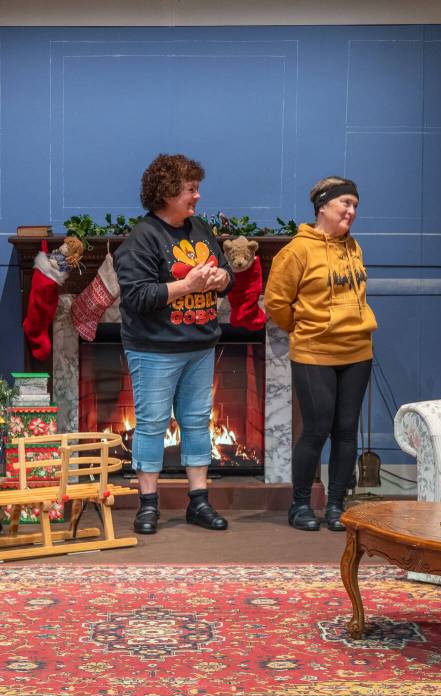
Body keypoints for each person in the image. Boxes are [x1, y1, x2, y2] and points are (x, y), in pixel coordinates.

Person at [114, 154, 235, 535]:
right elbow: (137, 296)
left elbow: (227, 272)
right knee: (151, 424)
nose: (197, 196)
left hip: (200, 345)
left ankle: (199, 501)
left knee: (197, 422)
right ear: (167, 193)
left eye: (197, 189)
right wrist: (187, 285)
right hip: (154, 349)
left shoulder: (200, 228)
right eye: (190, 190)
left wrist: (221, 279)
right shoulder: (143, 238)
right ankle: (147, 505)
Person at [265, 177, 377, 532]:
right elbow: (276, 302)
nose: (351, 211)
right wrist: (304, 329)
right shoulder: (297, 251)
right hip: (314, 351)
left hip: (357, 350)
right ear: (323, 207)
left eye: (355, 205)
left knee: (346, 430)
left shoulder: (353, 247)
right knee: (315, 429)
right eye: (345, 203)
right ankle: (300, 505)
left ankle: (336, 505)